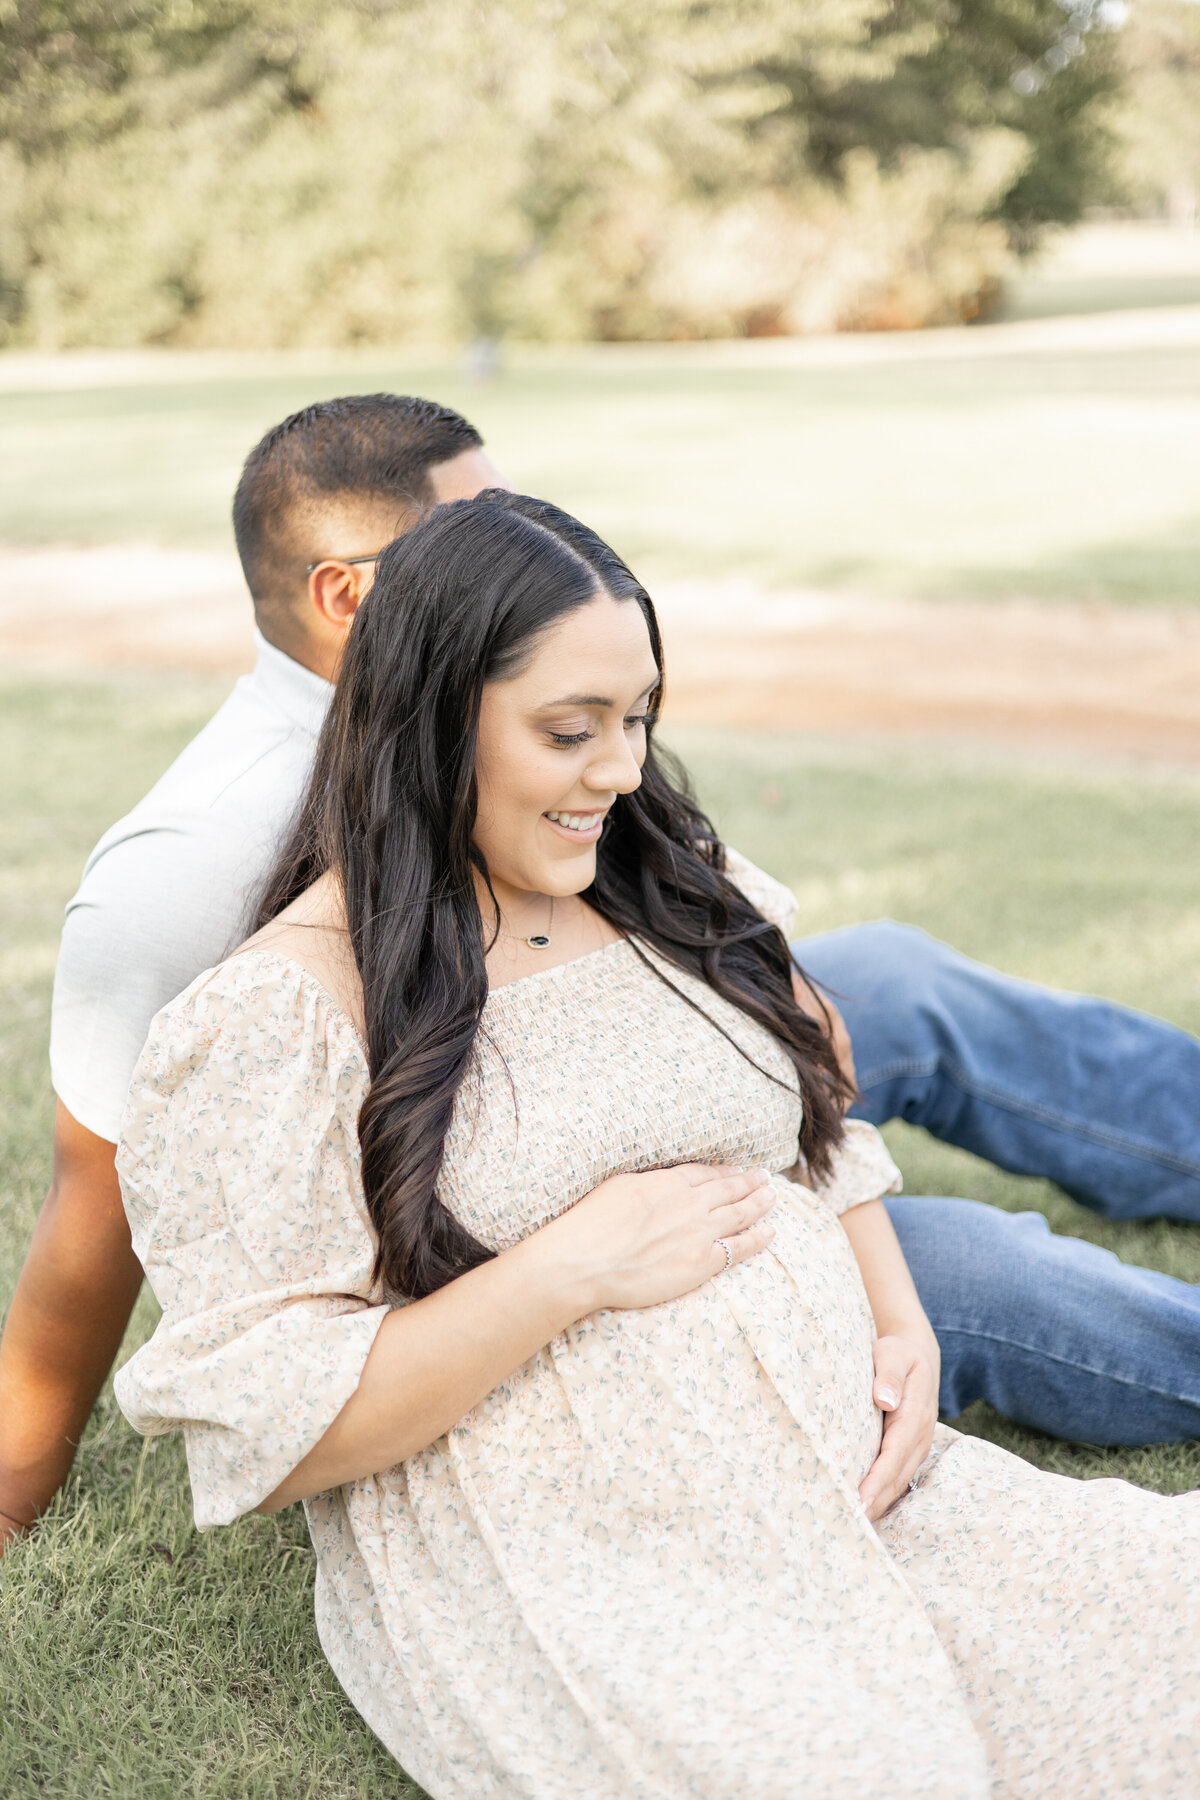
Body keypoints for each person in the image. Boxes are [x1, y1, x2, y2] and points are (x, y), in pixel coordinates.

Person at [114, 492, 1200, 1799]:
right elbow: (274, 1430)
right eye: (570, 731)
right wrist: (567, 1268)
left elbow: (811, 1114)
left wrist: (898, 1327)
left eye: (637, 721)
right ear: (427, 718)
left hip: (852, 1485)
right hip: (587, 1560)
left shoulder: (650, 870)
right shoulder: (282, 1015)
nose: (622, 770)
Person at [3, 392, 1200, 1550]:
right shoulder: (192, 860)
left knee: (895, 977)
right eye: (472, 529)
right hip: (511, 1198)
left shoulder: (551, 713)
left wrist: (772, 1041)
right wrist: (16, 1486)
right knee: (985, 1271)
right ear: (350, 593)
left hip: (646, 1051)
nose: (523, 552)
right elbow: (101, 1181)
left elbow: (746, 954)